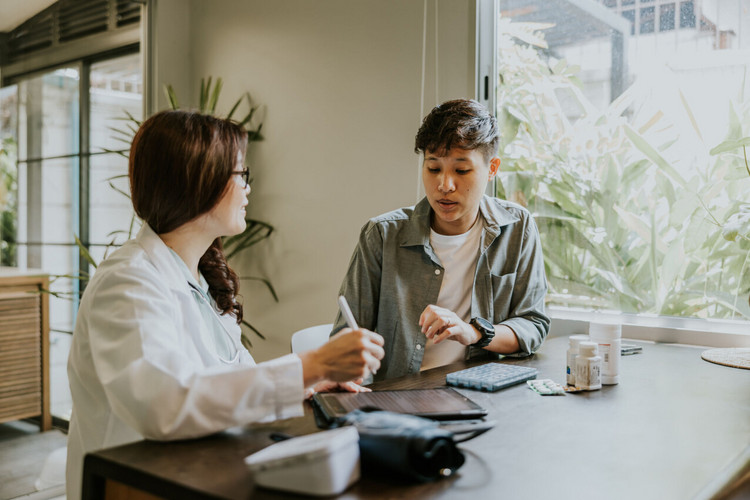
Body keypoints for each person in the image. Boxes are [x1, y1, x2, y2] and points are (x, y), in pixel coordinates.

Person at [66, 110, 384, 499]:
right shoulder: (128, 281)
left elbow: (223, 386)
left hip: (196, 470)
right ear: (197, 181)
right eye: (240, 175)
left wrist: (307, 382)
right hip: (137, 486)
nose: (248, 188)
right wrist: (312, 363)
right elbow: (162, 406)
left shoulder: (198, 277)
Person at [332, 99, 549, 381]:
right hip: (400, 400)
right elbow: (346, 336)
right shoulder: (382, 235)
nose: (445, 185)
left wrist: (473, 332)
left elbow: (532, 324)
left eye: (461, 170)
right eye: (433, 168)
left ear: (492, 168)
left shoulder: (517, 228)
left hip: (479, 393)